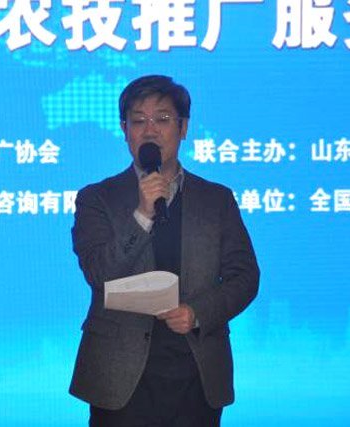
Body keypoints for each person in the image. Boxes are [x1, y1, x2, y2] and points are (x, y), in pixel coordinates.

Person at [70, 75, 259, 426]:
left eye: (163, 119)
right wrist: (142, 214)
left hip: (197, 374)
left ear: (184, 127)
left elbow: (245, 277)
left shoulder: (216, 199)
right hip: (119, 375)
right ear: (125, 130)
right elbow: (98, 274)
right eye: (138, 121)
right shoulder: (97, 198)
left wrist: (198, 312)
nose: (150, 130)